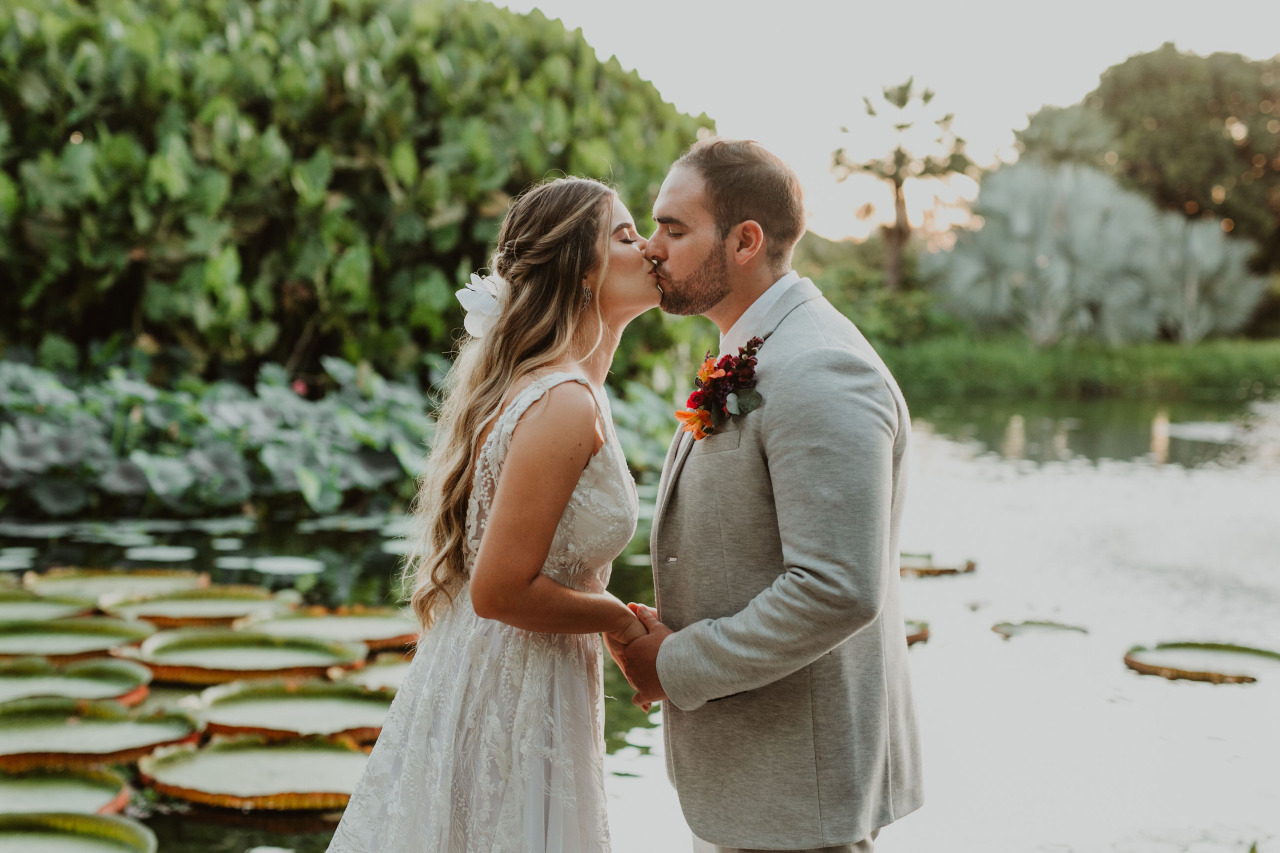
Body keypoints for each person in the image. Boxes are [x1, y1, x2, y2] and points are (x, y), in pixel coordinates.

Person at [608, 138, 924, 853]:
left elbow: (837, 588)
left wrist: (675, 663)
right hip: (757, 785)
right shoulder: (760, 350)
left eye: (674, 228)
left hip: (799, 796)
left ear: (745, 240)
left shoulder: (819, 367)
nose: (652, 248)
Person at [328, 176, 661, 853]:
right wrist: (618, 621)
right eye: (626, 235)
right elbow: (501, 587)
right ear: (581, 269)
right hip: (516, 688)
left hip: (514, 668)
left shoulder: (562, 387)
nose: (650, 247)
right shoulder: (564, 399)